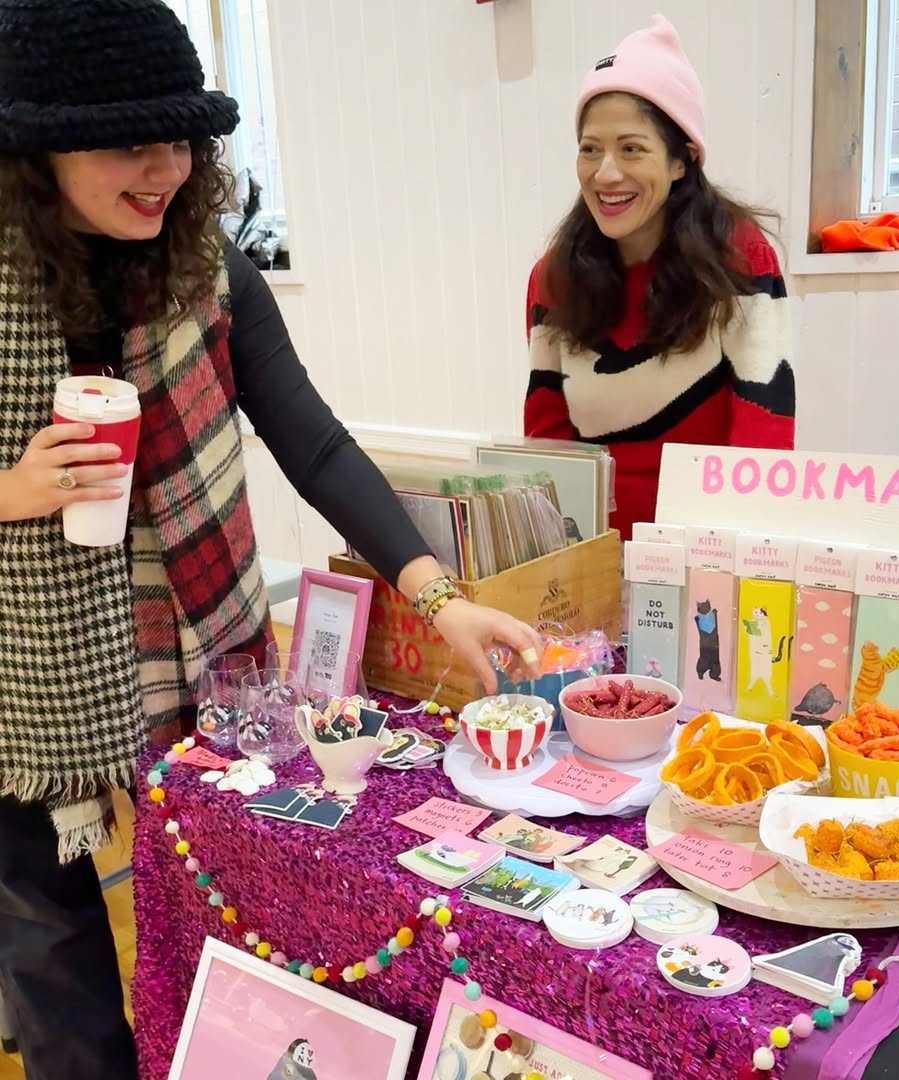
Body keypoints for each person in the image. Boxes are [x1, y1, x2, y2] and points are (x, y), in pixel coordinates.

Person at [0, 2, 542, 1077]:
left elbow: (316, 445)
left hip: (202, 657)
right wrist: (10, 491)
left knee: (229, 907)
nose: (166, 170)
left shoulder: (208, 271)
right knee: (48, 953)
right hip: (28, 683)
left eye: (182, 140)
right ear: (39, 149)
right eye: (129, 144)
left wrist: (441, 598)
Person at [524, 15, 795, 539]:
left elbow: (762, 440)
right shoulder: (552, 279)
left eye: (632, 148)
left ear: (681, 161)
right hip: (592, 553)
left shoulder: (740, 257)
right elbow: (547, 448)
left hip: (707, 552)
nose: (605, 172)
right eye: (590, 148)